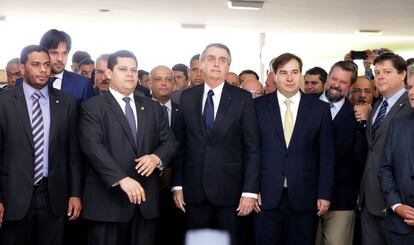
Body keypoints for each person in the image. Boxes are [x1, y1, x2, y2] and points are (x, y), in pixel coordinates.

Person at [79, 50, 178, 245]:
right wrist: (122, 179)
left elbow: (170, 142)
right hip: (107, 205)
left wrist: (156, 158)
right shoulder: (92, 107)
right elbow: (93, 147)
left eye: (134, 70)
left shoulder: (152, 107)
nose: (130, 74)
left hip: (145, 205)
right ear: (108, 73)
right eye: (123, 69)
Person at [172, 43, 260, 245]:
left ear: (228, 66)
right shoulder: (186, 97)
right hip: (194, 191)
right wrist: (177, 185)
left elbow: (252, 148)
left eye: (223, 60)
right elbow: (180, 145)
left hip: (232, 193)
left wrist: (249, 191)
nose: (216, 64)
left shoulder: (242, 99)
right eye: (211, 58)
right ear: (202, 64)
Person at [0, 45, 82, 245]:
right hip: (12, 195)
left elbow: (74, 154)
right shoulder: (4, 102)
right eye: (36, 65)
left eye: (47, 65)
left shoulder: (67, 103)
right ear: (22, 67)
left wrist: (75, 194)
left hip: (54, 195)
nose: (43, 70)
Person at [254, 53, 335, 245]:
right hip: (265, 195)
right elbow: (251, 151)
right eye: (283, 73)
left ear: (301, 74)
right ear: (274, 75)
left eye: (294, 72)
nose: (289, 78)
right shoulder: (257, 107)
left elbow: (326, 155)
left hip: (305, 196)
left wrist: (324, 193)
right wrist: (252, 189)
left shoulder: (320, 109)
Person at [359, 52, 413, 245]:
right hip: (369, 199)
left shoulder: (410, 106)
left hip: (398, 204)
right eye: (377, 72)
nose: (380, 76)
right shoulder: (376, 105)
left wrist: (395, 202)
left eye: (387, 72)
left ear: (403, 75)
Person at [315, 61, 367, 245]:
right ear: (327, 77)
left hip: (341, 197)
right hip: (304, 195)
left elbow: (360, 158)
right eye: (334, 78)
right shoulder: (305, 105)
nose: (336, 85)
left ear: (351, 86)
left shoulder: (357, 116)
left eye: (343, 82)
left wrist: (363, 124)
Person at [150, 65, 186, 245]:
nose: (164, 83)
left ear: (174, 83)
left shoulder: (184, 111)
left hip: (178, 183)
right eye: (158, 79)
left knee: (175, 232)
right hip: (147, 181)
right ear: (149, 82)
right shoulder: (140, 109)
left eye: (168, 79)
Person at [378, 65, 414, 245]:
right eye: (409, 87)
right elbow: (385, 169)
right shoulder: (398, 124)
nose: (412, 92)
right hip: (400, 227)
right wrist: (397, 205)